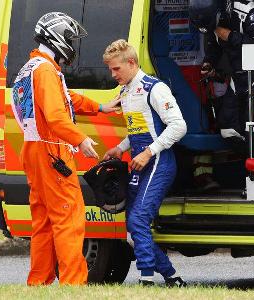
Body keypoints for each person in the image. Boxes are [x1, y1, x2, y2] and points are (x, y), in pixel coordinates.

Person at [11, 12, 120, 285]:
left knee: (44, 221)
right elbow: (56, 116)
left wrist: (99, 107)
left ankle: (39, 282)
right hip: (52, 151)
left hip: (34, 150)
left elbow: (65, 98)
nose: (72, 44)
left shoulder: (33, 66)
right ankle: (73, 283)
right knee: (69, 217)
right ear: (57, 38)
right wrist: (80, 139)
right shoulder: (46, 70)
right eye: (70, 38)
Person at [102, 39, 188, 287]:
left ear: (131, 63)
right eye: (110, 69)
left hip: (159, 162)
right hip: (140, 163)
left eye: (116, 69)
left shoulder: (155, 88)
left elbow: (179, 126)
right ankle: (172, 277)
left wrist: (149, 152)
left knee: (138, 220)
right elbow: (139, 130)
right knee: (132, 226)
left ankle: (146, 280)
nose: (112, 74)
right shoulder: (126, 90)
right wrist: (120, 148)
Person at [189, 0, 254, 154]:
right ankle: (245, 165)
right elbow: (214, 46)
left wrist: (229, 35)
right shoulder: (212, 19)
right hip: (238, 76)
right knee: (228, 130)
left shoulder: (250, 11)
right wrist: (209, 63)